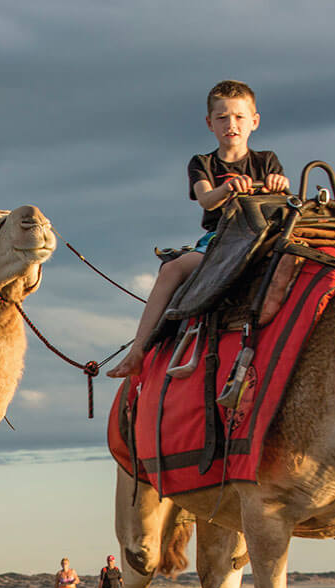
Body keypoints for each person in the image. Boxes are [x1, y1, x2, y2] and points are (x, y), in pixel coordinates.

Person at [108, 80, 289, 379]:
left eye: (240, 117)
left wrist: (279, 185)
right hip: (220, 240)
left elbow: (282, 197)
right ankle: (138, 349)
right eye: (222, 118)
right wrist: (228, 187)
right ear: (210, 123)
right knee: (171, 270)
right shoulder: (203, 163)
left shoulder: (266, 160)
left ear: (254, 121)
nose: (231, 124)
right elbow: (206, 198)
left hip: (261, 237)